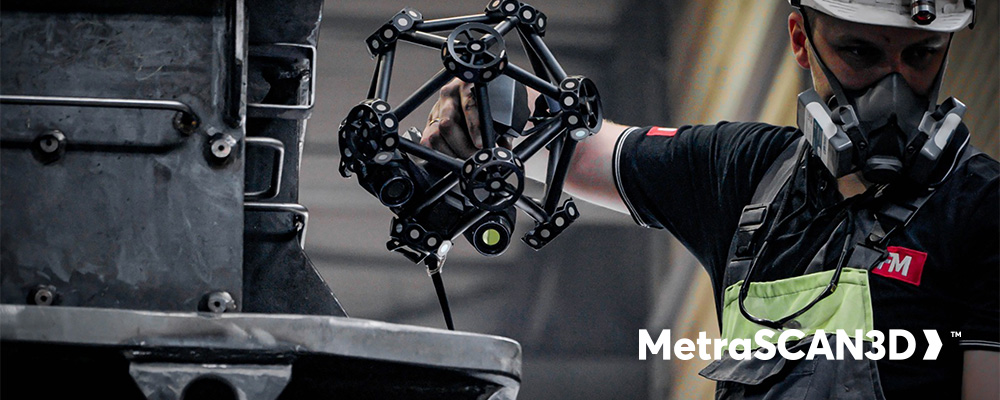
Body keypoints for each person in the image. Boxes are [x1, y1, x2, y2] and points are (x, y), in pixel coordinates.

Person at [420, 0, 997, 398]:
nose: (893, 89)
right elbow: (581, 147)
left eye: (920, 56)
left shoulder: (983, 207)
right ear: (801, 40)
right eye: (860, 54)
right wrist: (487, 104)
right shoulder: (748, 174)